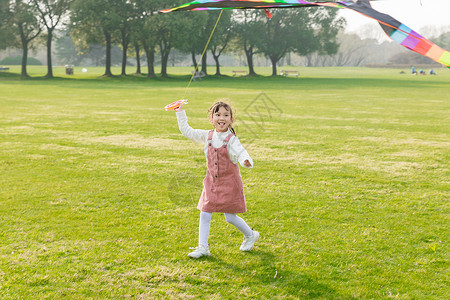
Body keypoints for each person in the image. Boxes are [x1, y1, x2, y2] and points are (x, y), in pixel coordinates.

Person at [174, 101, 259, 258]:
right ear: (211, 118)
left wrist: (246, 161)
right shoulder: (207, 136)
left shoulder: (232, 139)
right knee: (205, 213)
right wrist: (180, 112)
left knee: (230, 217)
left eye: (226, 115)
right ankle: (203, 247)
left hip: (230, 184)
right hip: (211, 183)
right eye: (218, 114)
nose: (222, 118)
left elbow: (241, 152)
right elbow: (187, 131)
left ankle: (250, 235)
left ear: (231, 119)